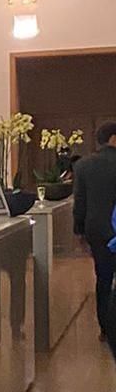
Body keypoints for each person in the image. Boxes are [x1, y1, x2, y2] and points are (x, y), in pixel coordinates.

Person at [73, 121, 116, 359]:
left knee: (103, 279)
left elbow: (80, 202)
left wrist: (79, 230)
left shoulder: (84, 165)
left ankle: (105, 329)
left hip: (98, 231)